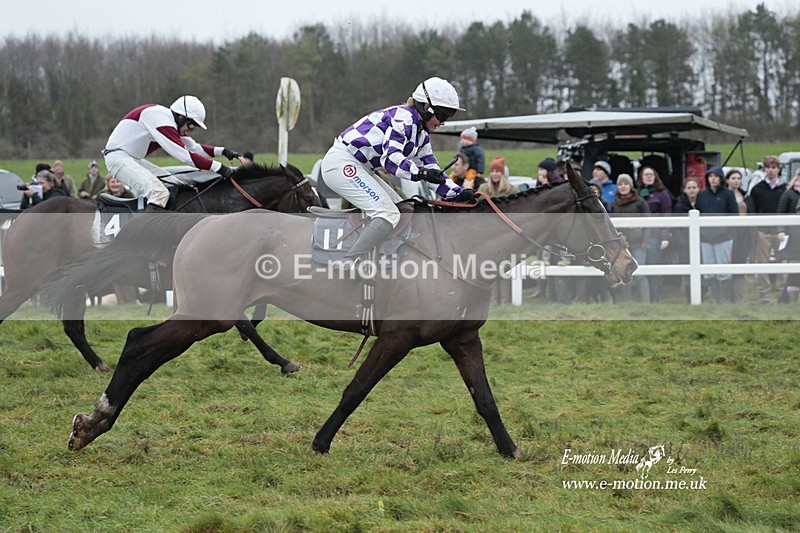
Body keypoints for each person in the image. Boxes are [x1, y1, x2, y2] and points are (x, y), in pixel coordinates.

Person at [321, 76, 472, 269]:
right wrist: (422, 173)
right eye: (442, 116)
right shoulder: (404, 119)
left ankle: (383, 261)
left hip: (363, 167)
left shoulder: (421, 135)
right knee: (388, 213)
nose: (442, 123)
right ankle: (348, 262)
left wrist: (459, 193)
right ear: (426, 107)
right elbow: (391, 161)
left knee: (403, 210)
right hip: (341, 162)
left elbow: (434, 173)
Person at [102, 95, 243, 212]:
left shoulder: (171, 122)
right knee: (159, 193)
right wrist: (221, 168)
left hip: (132, 158)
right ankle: (142, 234)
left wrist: (223, 151)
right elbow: (185, 156)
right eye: (191, 125)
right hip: (118, 158)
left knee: (179, 186)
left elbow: (195, 148)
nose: (190, 130)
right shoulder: (159, 118)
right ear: (181, 117)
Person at [696, 166, 738, 304]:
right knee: (709, 270)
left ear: (721, 178)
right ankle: (715, 300)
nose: (713, 179)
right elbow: (698, 213)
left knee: (724, 269)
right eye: (710, 176)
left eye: (715, 176)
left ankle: (726, 300)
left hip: (723, 238)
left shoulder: (728, 194)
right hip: (706, 238)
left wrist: (725, 231)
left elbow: (734, 215)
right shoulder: (702, 195)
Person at [748, 155, 787, 303]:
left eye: (774, 168)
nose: (771, 171)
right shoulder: (757, 189)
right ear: (764, 169)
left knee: (782, 263)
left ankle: (781, 295)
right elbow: (753, 210)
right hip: (763, 231)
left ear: (779, 169)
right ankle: (764, 296)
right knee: (762, 264)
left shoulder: (784, 189)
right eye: (768, 168)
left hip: (781, 232)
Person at [609, 174, 650, 302]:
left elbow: (648, 222)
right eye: (620, 184)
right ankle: (626, 302)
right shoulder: (614, 203)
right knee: (624, 273)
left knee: (640, 274)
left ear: (630, 186)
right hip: (621, 245)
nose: (623, 186)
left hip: (638, 243)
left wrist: (645, 240)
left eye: (625, 184)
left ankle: (646, 302)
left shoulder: (640, 201)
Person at [637, 166, 672, 303]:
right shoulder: (638, 193)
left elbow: (667, 213)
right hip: (639, 235)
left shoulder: (662, 194)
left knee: (653, 265)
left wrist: (665, 236)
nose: (649, 177)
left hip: (655, 235)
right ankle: (644, 299)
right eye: (646, 175)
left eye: (651, 174)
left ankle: (655, 298)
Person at [725, 169, 756, 303]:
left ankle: (738, 298)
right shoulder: (723, 196)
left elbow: (752, 215)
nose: (736, 181)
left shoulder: (747, 197)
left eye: (738, 178)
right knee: (728, 265)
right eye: (733, 178)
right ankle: (726, 297)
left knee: (740, 265)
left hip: (744, 236)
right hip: (728, 234)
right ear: (727, 180)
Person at [672, 177, 702, 302]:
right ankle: (688, 296)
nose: (692, 190)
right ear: (684, 190)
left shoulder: (702, 203)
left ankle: (702, 293)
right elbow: (676, 227)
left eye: (694, 187)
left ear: (699, 189)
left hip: (701, 242)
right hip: (685, 243)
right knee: (687, 269)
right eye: (689, 188)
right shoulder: (679, 205)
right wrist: (682, 242)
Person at [776, 169, 800, 302]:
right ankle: (787, 297)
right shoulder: (789, 194)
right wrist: (781, 230)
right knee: (793, 264)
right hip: (794, 235)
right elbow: (781, 213)